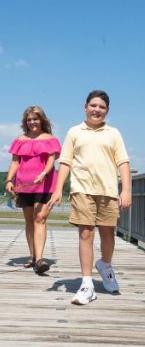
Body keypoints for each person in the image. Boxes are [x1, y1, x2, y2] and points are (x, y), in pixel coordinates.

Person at [47, 90, 131, 305]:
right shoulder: (75, 132)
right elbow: (65, 162)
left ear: (107, 111)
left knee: (108, 234)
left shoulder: (113, 133)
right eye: (93, 105)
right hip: (81, 189)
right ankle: (87, 284)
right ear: (85, 107)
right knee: (86, 234)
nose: (97, 110)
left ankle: (105, 265)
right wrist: (58, 190)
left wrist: (126, 190)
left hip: (108, 190)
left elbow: (123, 162)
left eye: (102, 107)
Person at [5, 106, 61, 274]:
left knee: (40, 218)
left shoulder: (50, 139)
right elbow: (15, 162)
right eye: (29, 120)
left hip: (45, 183)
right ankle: (33, 255)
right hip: (23, 184)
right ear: (25, 122)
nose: (32, 122)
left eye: (35, 119)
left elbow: (51, 160)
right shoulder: (20, 140)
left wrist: (44, 173)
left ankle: (40, 258)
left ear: (42, 120)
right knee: (29, 221)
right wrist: (9, 180)